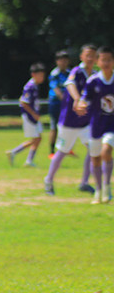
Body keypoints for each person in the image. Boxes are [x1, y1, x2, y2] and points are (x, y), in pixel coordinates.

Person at [43, 44, 97, 196]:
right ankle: (48, 180)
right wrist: (77, 99)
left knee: (93, 149)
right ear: (81, 57)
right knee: (62, 151)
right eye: (88, 55)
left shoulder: (95, 74)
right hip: (69, 121)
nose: (90, 58)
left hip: (86, 121)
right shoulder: (76, 71)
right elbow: (70, 84)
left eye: (93, 55)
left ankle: (85, 183)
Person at [75, 45, 114, 204]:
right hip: (96, 125)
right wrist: (81, 104)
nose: (106, 63)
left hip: (112, 126)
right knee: (95, 159)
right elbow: (84, 98)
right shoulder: (93, 81)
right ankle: (98, 190)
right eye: (103, 59)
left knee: (106, 152)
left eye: (109, 60)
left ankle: (107, 187)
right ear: (98, 61)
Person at [5, 63, 47, 167]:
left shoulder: (35, 86)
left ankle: (23, 158)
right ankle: (17, 154)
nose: (42, 78)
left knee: (38, 138)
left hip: (34, 116)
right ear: (33, 74)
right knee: (36, 138)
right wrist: (33, 114)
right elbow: (23, 102)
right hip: (29, 117)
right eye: (40, 75)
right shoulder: (30, 86)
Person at [47, 49, 71, 157]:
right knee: (54, 127)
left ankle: (67, 148)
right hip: (56, 104)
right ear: (57, 61)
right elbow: (56, 89)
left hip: (67, 104)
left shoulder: (70, 73)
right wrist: (65, 100)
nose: (63, 63)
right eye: (61, 60)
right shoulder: (54, 74)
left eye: (65, 60)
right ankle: (52, 151)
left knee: (68, 126)